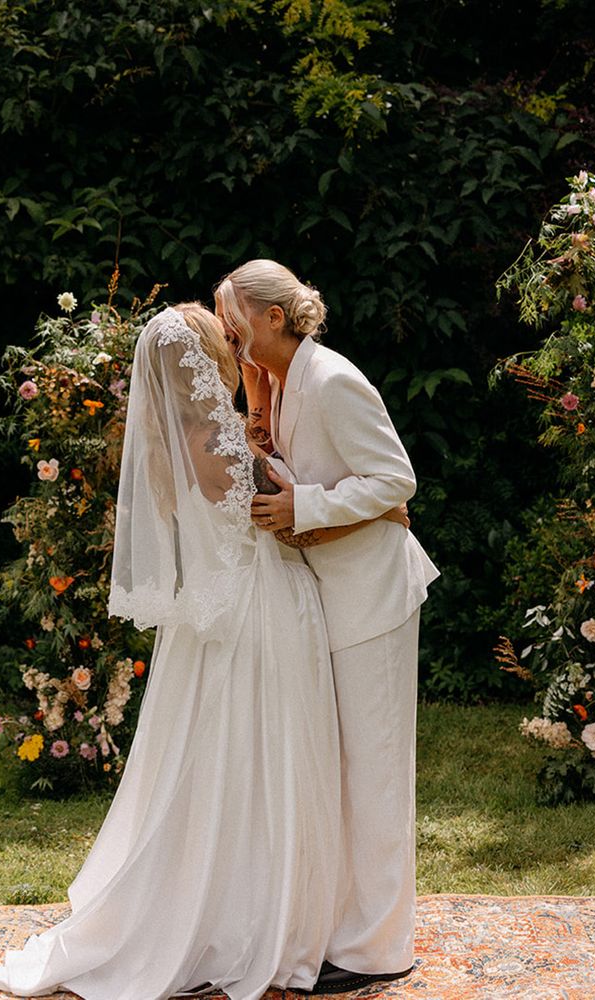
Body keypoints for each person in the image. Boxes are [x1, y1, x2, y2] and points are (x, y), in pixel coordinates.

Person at [0, 302, 409, 1000]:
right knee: (268, 755)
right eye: (222, 339)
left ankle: (225, 897)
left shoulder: (166, 437)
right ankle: (260, 914)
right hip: (259, 608)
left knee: (218, 757)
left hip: (207, 614)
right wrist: (379, 507)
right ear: (202, 363)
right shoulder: (218, 440)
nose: (232, 342)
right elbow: (282, 514)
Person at [214, 263, 440, 996]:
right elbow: (315, 470)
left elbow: (395, 481)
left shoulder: (336, 380)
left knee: (374, 771)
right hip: (330, 596)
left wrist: (303, 508)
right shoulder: (279, 382)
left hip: (372, 598)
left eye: (234, 312)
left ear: (274, 317)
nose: (226, 326)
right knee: (341, 773)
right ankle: (343, 924)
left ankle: (378, 949)